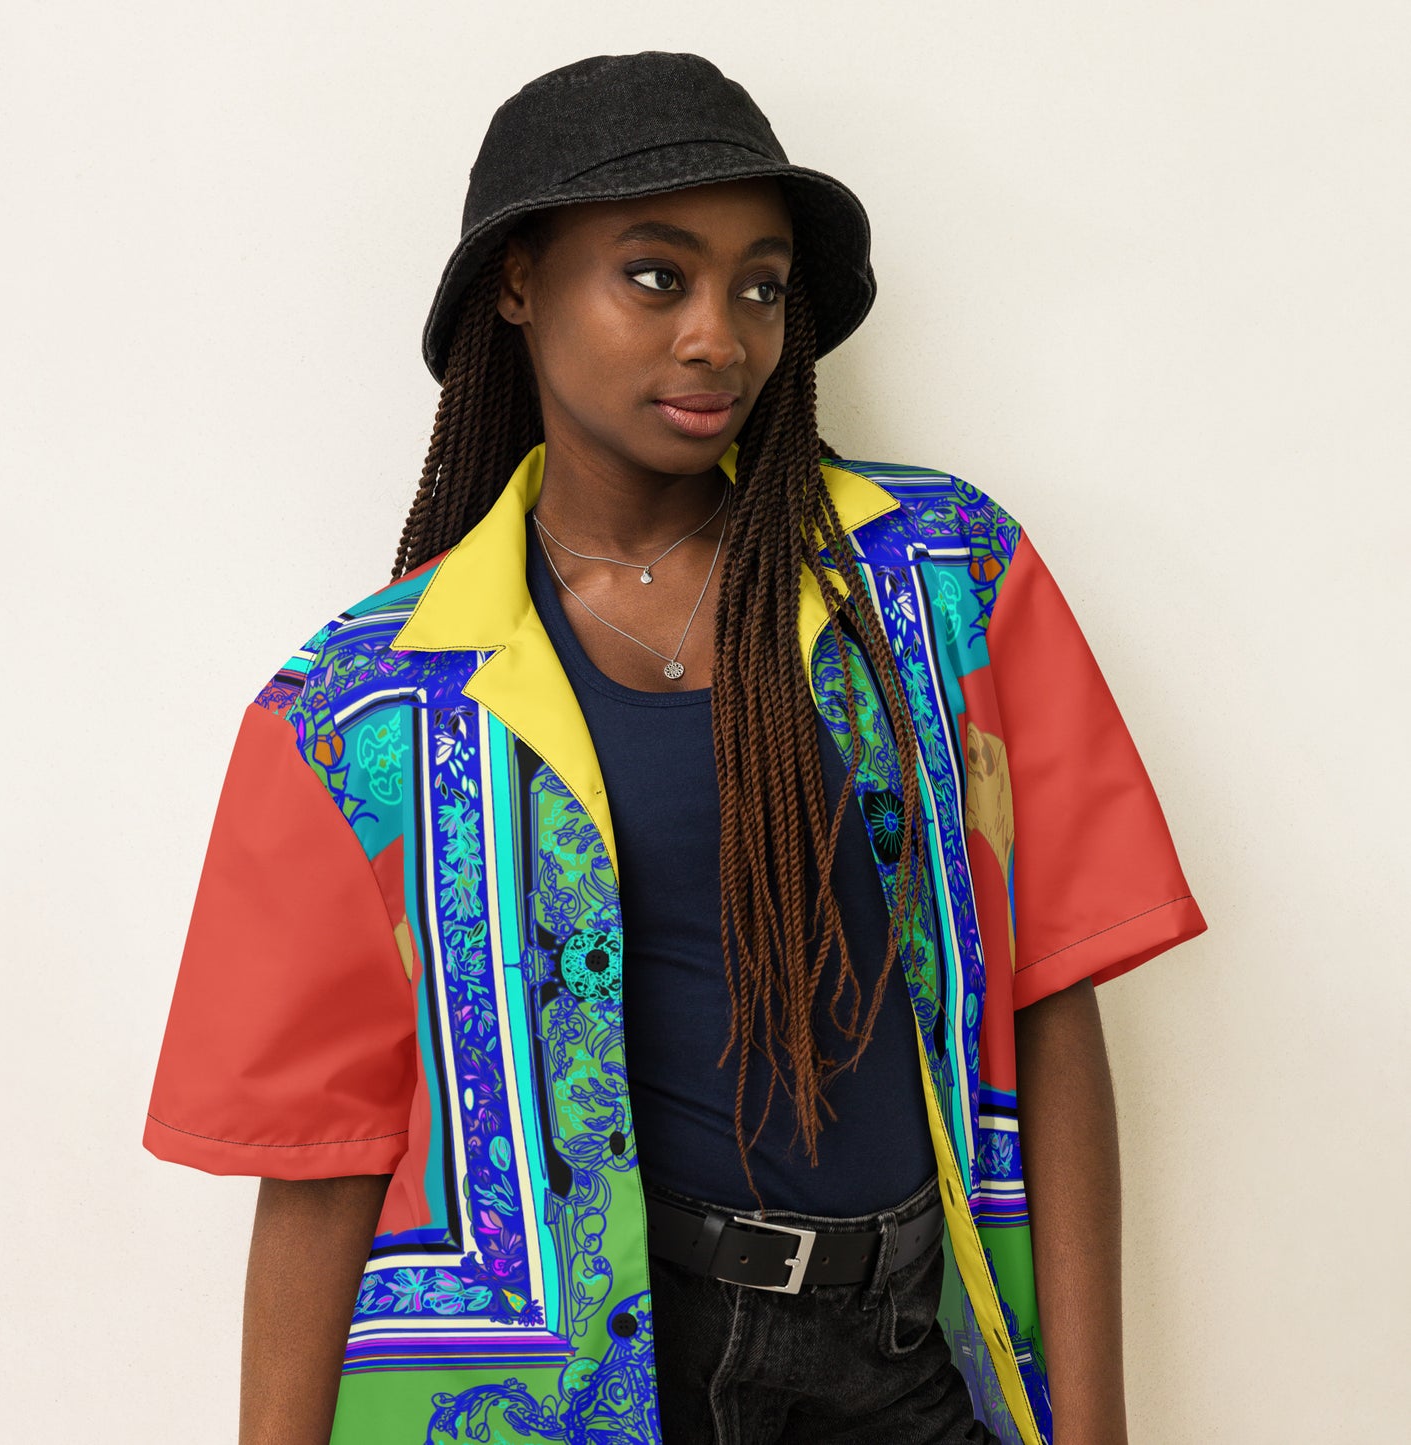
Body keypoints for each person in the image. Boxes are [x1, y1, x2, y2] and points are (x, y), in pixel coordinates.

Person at [142, 50, 1208, 1445]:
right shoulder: (363, 710)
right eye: (656, 276)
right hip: (606, 1374)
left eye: (758, 286)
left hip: (914, 1346)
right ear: (517, 281)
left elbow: (1050, 1003)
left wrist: (1096, 1428)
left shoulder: (943, 582)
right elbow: (324, 1164)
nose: (720, 335)